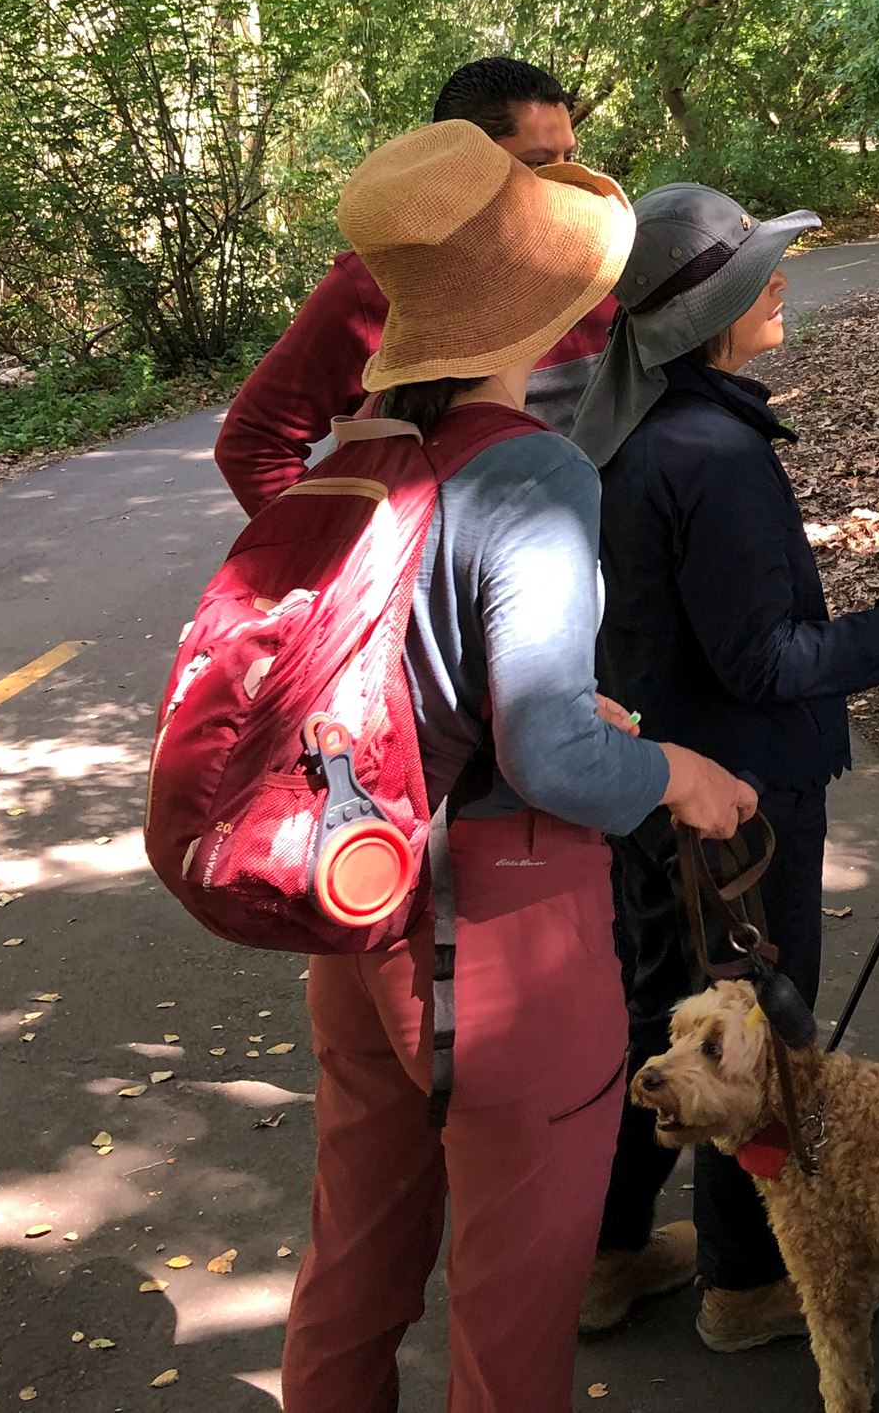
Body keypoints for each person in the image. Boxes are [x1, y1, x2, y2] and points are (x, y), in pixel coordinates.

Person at [281, 127, 761, 1413]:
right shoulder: (532, 470)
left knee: (354, 1255)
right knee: (512, 1304)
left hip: (358, 892)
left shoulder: (362, 453)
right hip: (494, 933)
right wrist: (673, 771)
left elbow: (409, 670)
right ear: (538, 306)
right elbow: (548, 753)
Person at [571, 183, 879, 1351]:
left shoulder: (633, 427)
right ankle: (747, 1283)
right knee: (749, 1029)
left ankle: (605, 1257)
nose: (778, 283)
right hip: (736, 805)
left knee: (658, 1021)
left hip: (653, 784)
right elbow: (766, 662)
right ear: (702, 311)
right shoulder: (711, 451)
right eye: (752, 274)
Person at [217, 56, 613, 515]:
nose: (567, 182)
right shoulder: (376, 286)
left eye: (570, 157)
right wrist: (342, 545)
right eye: (538, 163)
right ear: (459, 171)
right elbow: (254, 443)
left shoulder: (601, 256)